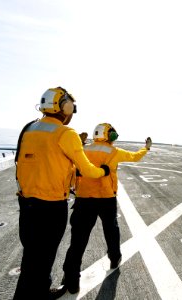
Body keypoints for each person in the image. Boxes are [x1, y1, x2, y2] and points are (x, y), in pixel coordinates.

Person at [13, 87, 110, 300]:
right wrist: (104, 170)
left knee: (31, 257)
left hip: (26, 204)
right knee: (45, 256)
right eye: (72, 108)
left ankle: (37, 291)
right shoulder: (66, 133)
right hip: (51, 206)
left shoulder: (28, 128)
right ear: (64, 107)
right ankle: (36, 294)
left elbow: (41, 159)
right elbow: (87, 170)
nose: (72, 112)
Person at [59, 123, 152, 294]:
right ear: (109, 136)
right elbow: (135, 157)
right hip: (106, 198)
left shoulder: (83, 149)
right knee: (111, 230)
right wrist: (145, 148)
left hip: (83, 199)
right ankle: (114, 258)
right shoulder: (114, 152)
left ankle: (71, 280)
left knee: (78, 239)